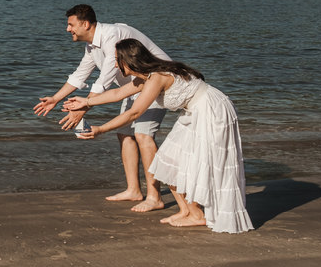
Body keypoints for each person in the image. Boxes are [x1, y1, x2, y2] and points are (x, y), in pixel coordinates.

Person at [66, 39, 253, 233]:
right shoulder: (146, 77)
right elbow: (119, 93)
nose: (114, 64)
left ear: (128, 61)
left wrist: (101, 129)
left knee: (195, 162)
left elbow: (134, 113)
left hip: (211, 110)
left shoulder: (157, 77)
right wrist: (86, 102)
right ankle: (186, 211)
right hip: (193, 112)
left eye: (116, 60)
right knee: (166, 160)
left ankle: (197, 215)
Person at [33, 4, 169, 212]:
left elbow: (104, 79)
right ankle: (133, 190)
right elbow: (80, 75)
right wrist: (55, 98)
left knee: (143, 135)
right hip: (132, 88)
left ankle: (154, 197)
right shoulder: (92, 46)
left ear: (85, 24)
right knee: (124, 133)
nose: (67, 29)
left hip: (156, 82)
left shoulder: (112, 36)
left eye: (71, 25)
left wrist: (82, 108)